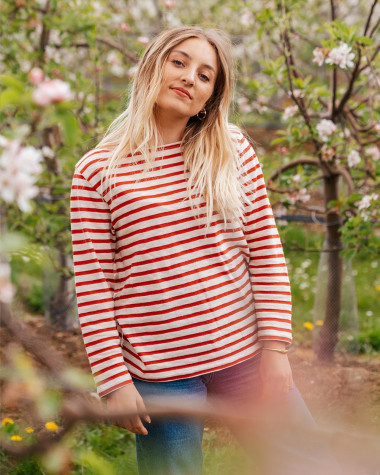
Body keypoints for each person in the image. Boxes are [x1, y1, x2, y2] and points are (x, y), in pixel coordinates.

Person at [70, 26, 340, 475]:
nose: (189, 78)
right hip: (160, 371)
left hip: (246, 353)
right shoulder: (98, 171)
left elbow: (266, 253)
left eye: (205, 75)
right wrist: (113, 381)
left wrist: (275, 350)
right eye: (178, 62)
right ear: (152, 66)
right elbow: (95, 286)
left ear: (211, 96)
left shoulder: (231, 149)